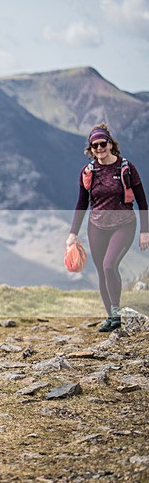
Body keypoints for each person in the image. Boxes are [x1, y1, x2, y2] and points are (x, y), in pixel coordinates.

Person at [67, 123, 149, 332]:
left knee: (109, 265)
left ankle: (116, 312)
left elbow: (142, 201)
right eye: (94, 145)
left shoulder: (126, 168)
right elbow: (82, 203)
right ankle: (112, 317)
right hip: (96, 227)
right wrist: (73, 234)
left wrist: (145, 231)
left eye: (103, 143)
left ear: (111, 144)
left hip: (124, 225)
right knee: (102, 273)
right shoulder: (88, 172)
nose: (99, 148)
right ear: (90, 149)